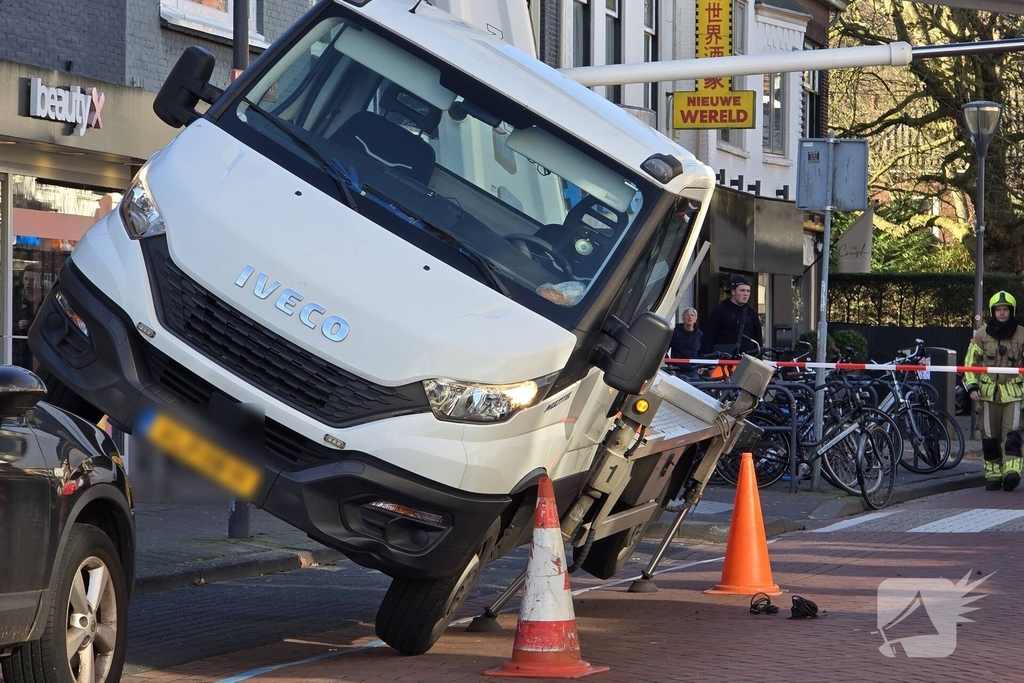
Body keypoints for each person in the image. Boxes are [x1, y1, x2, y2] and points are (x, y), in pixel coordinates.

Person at [964, 290, 1024, 492]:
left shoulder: (1022, 334)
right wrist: (972, 385)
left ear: (1011, 311)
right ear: (993, 311)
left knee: (1012, 435)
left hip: (1014, 394)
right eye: (998, 309)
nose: (1002, 313)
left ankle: (1012, 474)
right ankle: (993, 476)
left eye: (1005, 309)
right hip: (988, 395)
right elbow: (970, 364)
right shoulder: (980, 336)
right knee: (990, 437)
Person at [701, 275, 762, 356]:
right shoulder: (720, 310)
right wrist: (708, 361)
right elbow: (709, 336)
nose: (746, 294)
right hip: (725, 359)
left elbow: (758, 338)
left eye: (748, 291)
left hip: (748, 359)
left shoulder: (752, 312)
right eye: (742, 290)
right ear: (733, 291)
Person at [12, 266, 42, 371]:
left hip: (37, 356)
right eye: (26, 279)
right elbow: (5, 326)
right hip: (17, 355)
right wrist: (17, 326)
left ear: (38, 282)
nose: (28, 283)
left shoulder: (43, 301)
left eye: (32, 280)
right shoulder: (14, 301)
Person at [669, 307, 702, 379]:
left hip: (693, 371)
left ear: (695, 319)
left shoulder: (699, 334)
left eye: (692, 315)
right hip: (677, 370)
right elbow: (663, 349)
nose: (690, 317)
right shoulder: (675, 333)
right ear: (683, 318)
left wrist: (701, 365)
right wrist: (670, 365)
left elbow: (701, 352)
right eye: (687, 315)